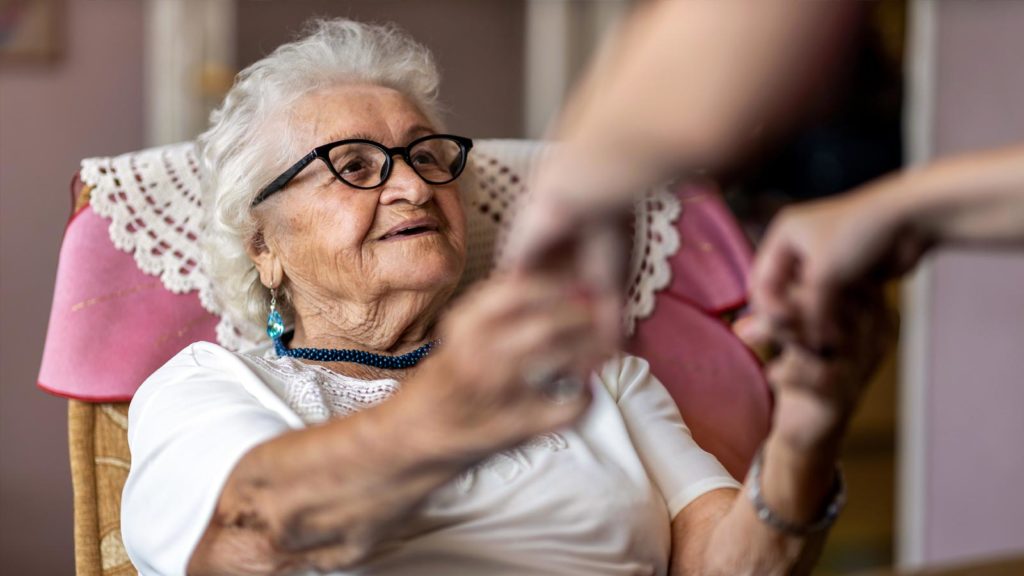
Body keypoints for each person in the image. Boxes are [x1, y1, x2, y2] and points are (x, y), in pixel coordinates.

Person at [121, 19, 886, 576]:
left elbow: (725, 562)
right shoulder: (209, 385)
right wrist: (447, 413)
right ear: (264, 246)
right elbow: (243, 539)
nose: (416, 185)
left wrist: (805, 439)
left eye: (427, 156)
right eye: (354, 165)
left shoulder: (598, 375)